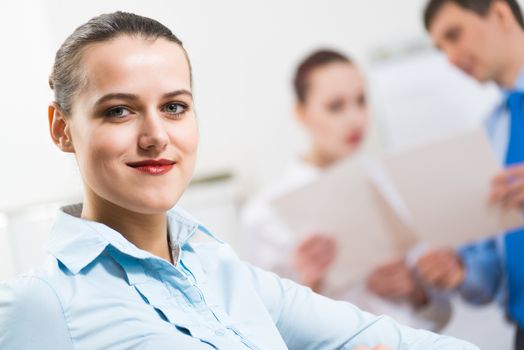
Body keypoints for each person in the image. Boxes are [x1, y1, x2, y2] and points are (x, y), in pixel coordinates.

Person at [0, 11, 477, 350]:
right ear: (62, 128)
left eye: (174, 107)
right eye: (119, 110)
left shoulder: (225, 273)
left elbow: (399, 340)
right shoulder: (39, 305)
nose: (155, 136)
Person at [240, 49, 451, 331]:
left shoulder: (392, 184)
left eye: (361, 101)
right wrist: (310, 287)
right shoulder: (266, 214)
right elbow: (265, 329)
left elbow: (440, 314)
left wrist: (415, 290)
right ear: (301, 114)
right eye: (335, 106)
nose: (355, 118)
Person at [414, 0, 524, 348]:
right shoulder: (491, 133)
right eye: (440, 48)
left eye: (454, 35)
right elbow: (490, 275)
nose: (449, 57)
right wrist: (460, 272)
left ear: (501, 13)